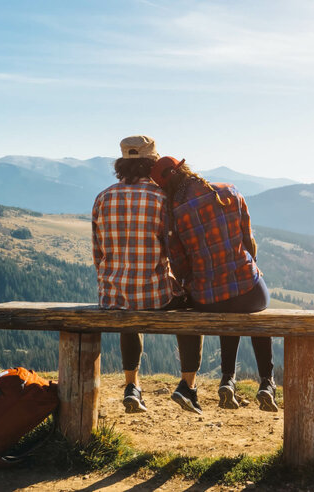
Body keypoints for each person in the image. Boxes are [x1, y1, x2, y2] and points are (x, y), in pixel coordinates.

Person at [150, 155, 278, 412]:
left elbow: (179, 264)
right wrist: (246, 268)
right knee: (254, 308)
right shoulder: (228, 191)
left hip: (206, 298)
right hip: (247, 290)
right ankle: (266, 382)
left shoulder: (173, 213)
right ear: (185, 169)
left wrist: (193, 283)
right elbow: (249, 242)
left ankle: (228, 380)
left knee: (224, 302)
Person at [91, 136, 204, 415]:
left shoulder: (103, 197)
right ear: (153, 162)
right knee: (191, 308)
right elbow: (175, 250)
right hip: (156, 294)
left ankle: (132, 386)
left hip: (112, 294)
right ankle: (187, 386)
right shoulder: (161, 197)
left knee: (128, 304)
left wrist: (114, 277)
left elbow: (98, 252)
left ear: (121, 163)